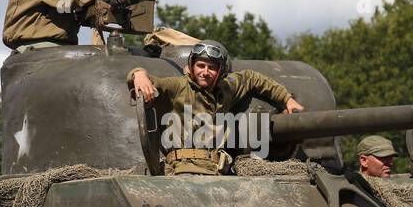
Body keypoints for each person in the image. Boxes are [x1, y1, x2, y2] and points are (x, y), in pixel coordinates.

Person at [127, 40, 305, 175]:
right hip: (184, 170)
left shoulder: (227, 89)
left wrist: (287, 99)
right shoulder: (180, 86)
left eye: (211, 67)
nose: (205, 72)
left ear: (220, 71)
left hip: (217, 171)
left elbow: (252, 78)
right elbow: (151, 82)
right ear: (191, 66)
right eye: (200, 66)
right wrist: (139, 74)